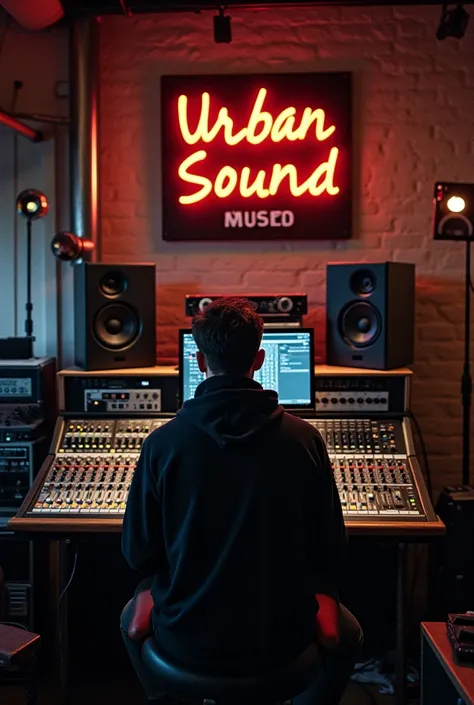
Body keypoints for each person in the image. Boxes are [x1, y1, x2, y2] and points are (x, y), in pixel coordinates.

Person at [120, 297, 362, 704]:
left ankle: (167, 695)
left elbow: (138, 555)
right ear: (260, 357)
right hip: (282, 642)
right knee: (350, 633)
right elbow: (331, 553)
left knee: (128, 617)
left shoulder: (162, 445)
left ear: (198, 361)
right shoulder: (305, 441)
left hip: (186, 641)